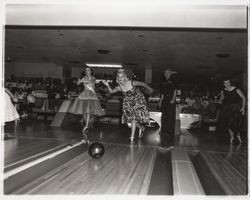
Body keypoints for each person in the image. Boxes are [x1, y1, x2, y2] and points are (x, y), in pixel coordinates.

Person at [103, 68, 154, 144]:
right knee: (130, 121)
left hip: (138, 101)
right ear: (117, 78)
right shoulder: (120, 87)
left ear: (125, 77)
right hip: (128, 103)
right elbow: (111, 91)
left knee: (133, 119)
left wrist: (150, 90)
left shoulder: (131, 82)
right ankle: (141, 128)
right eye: (119, 77)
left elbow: (143, 84)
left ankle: (132, 138)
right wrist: (107, 85)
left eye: (122, 77)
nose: (121, 79)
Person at [69, 66, 104, 131]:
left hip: (91, 95)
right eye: (86, 70)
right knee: (84, 111)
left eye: (88, 70)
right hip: (84, 94)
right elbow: (77, 83)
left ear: (91, 71)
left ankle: (87, 125)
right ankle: (87, 122)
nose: (87, 71)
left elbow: (90, 82)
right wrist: (80, 81)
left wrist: (83, 80)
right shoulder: (83, 77)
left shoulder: (93, 78)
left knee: (88, 111)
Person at [218, 79, 246, 144]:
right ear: (223, 84)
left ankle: (238, 136)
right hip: (227, 108)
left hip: (236, 108)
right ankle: (232, 137)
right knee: (228, 124)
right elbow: (222, 98)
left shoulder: (236, 89)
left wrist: (243, 108)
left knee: (236, 124)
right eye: (225, 83)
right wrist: (220, 100)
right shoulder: (223, 91)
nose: (227, 84)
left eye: (228, 83)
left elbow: (244, 98)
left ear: (230, 83)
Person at [158, 68, 177, 136]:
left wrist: (173, 99)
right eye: (165, 72)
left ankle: (170, 131)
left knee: (170, 116)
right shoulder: (163, 82)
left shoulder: (173, 80)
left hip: (170, 99)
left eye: (167, 72)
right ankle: (163, 130)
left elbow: (175, 90)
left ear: (170, 73)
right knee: (164, 116)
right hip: (165, 100)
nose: (165, 74)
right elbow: (163, 93)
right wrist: (160, 101)